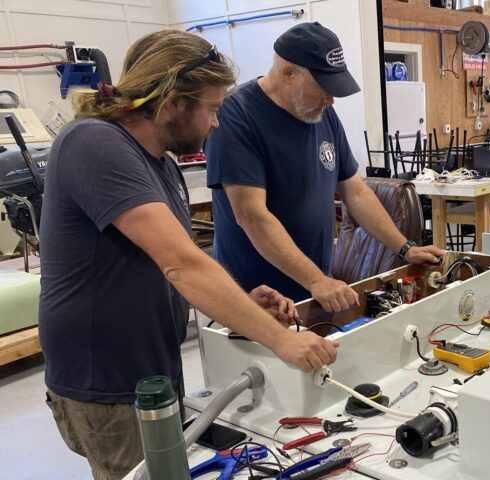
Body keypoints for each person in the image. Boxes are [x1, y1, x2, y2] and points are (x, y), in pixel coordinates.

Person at [38, 30, 339, 480]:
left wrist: (241, 298)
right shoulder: (93, 143)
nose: (216, 123)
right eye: (212, 108)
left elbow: (172, 259)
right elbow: (182, 264)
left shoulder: (158, 160)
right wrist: (282, 341)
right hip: (105, 382)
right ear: (172, 102)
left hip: (151, 368)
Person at [206, 22, 444, 313]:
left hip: (311, 289)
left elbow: (355, 192)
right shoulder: (235, 116)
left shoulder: (322, 115)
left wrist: (405, 248)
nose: (331, 100)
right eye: (322, 88)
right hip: (256, 297)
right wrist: (317, 279)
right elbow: (251, 215)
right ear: (288, 73)